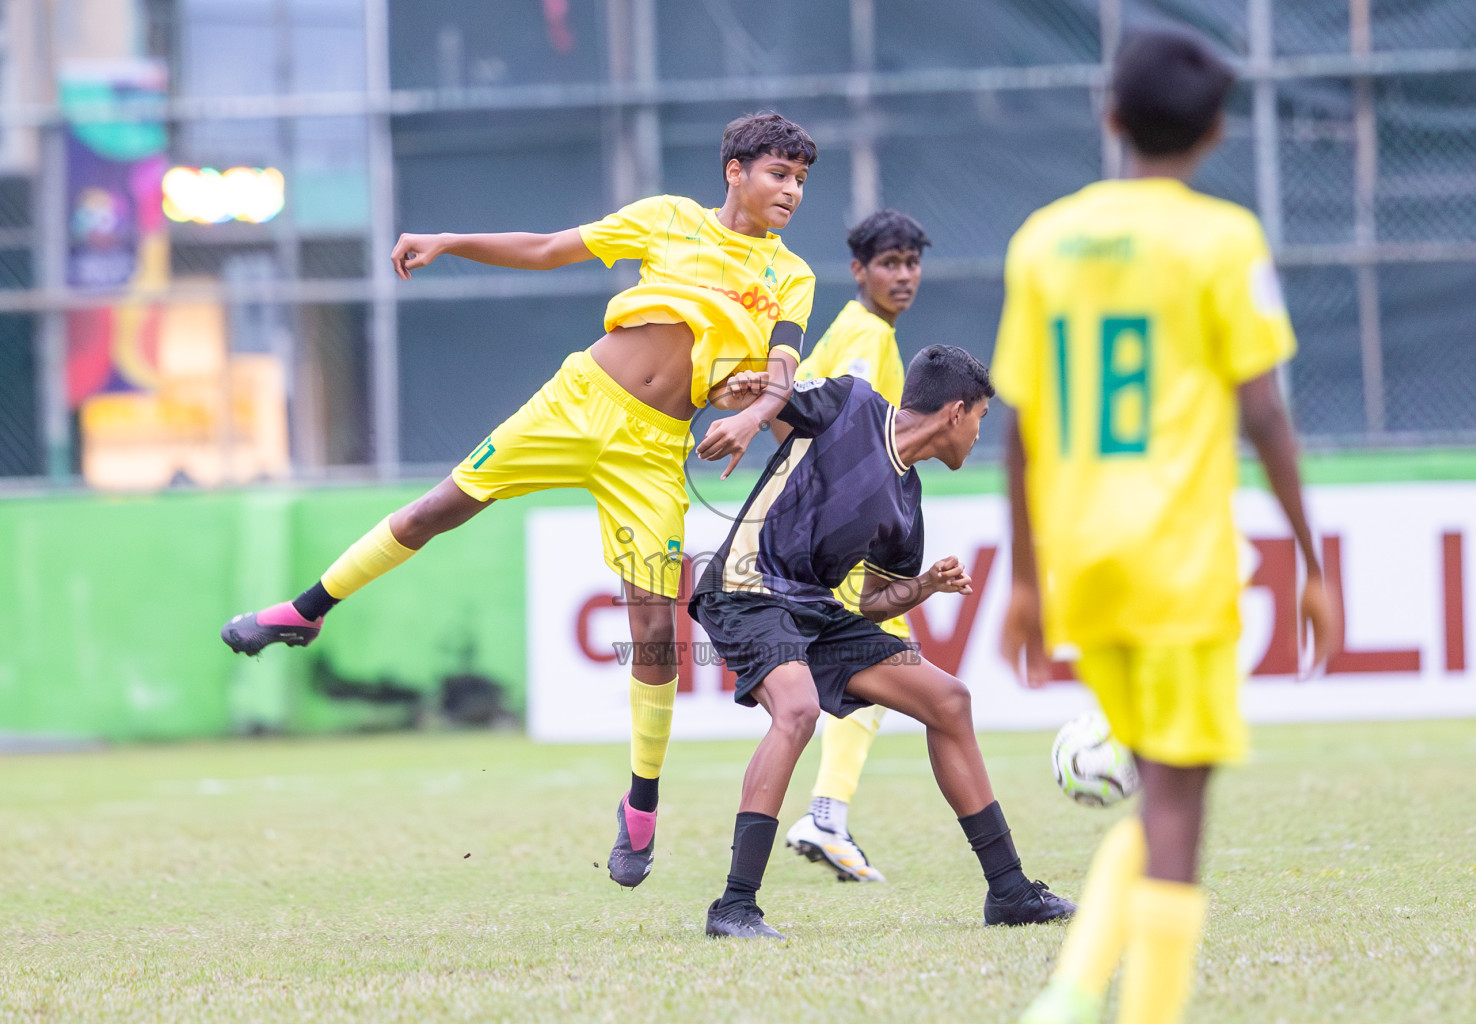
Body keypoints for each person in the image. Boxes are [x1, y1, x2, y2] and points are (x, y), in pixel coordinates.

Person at [220, 112, 820, 891]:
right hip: (577, 401)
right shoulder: (667, 217)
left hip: (651, 450)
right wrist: (448, 241)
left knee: (653, 623)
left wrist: (747, 410)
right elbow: (546, 248)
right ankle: (304, 610)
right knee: (437, 508)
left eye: (802, 180)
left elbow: (781, 371)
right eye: (779, 174)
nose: (792, 191)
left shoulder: (791, 275)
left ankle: (641, 803)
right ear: (735, 170)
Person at [993, 29, 1341, 1024]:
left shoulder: (1043, 240)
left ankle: (1067, 991)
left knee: (1156, 796)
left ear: (1110, 117)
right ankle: (1117, 1004)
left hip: (1082, 560)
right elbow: (1264, 412)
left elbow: (1017, 423)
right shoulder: (1221, 240)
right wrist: (1311, 563)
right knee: (1180, 809)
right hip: (1182, 563)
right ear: (1217, 130)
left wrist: (1023, 579)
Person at [688, 346, 1076, 939]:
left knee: (949, 701)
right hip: (746, 588)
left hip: (815, 609)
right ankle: (734, 907)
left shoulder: (908, 500)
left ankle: (1010, 891)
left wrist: (923, 586)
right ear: (955, 412)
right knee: (796, 710)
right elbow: (770, 393)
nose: (978, 434)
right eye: (980, 419)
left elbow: (873, 602)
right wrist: (746, 415)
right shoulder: (851, 402)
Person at [781, 208, 931, 884]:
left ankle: (827, 814)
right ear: (859, 271)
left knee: (868, 665)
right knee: (884, 657)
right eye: (889, 264)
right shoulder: (868, 336)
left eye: (910, 263)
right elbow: (855, 424)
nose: (903, 276)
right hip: (837, 529)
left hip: (820, 519)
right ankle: (824, 813)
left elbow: (799, 409)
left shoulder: (850, 326)